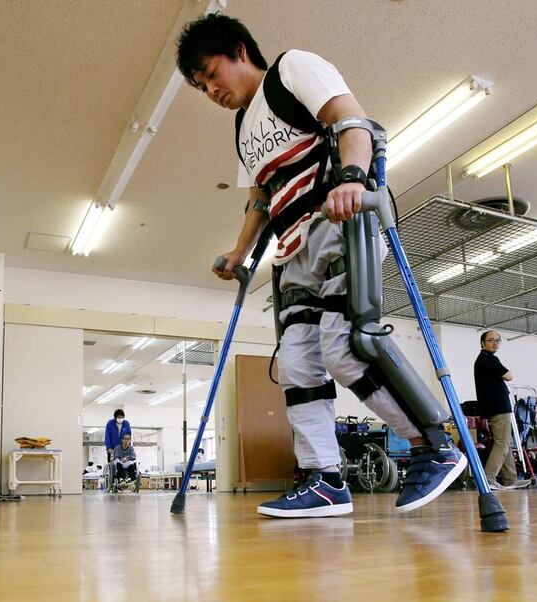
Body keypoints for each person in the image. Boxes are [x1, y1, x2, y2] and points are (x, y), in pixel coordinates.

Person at [176, 14, 465, 518]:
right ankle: (325, 479)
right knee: (296, 366)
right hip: (292, 254)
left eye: (212, 74)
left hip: (339, 224)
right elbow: (260, 198)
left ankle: (432, 444)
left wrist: (352, 177)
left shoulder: (291, 70)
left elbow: (351, 121)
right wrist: (241, 252)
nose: (211, 91)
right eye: (201, 87)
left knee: (347, 347)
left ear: (239, 50)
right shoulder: (243, 125)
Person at [474, 331, 531, 490]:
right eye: (490, 340)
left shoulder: (484, 360)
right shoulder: (489, 359)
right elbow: (509, 376)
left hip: (495, 407)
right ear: (482, 343)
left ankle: (510, 479)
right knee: (502, 443)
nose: (495, 343)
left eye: (498, 340)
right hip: (498, 407)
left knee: (505, 442)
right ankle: (488, 480)